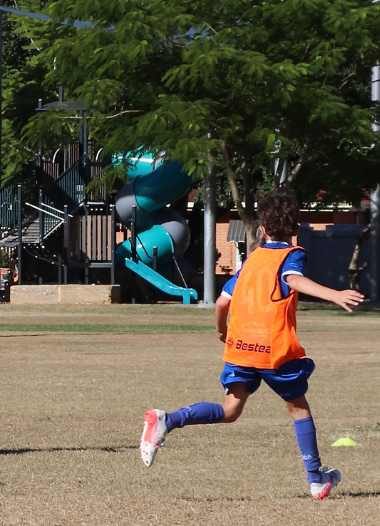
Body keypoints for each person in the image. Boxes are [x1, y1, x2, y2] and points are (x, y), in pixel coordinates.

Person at [139, 190, 362, 499]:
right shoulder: (291, 254)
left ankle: (168, 420)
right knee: (298, 408)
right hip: (272, 349)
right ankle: (316, 479)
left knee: (231, 410)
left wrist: (222, 332)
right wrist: (335, 294)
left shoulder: (251, 260)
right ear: (296, 230)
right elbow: (293, 279)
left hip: (241, 346)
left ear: (261, 230)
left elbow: (221, 302)